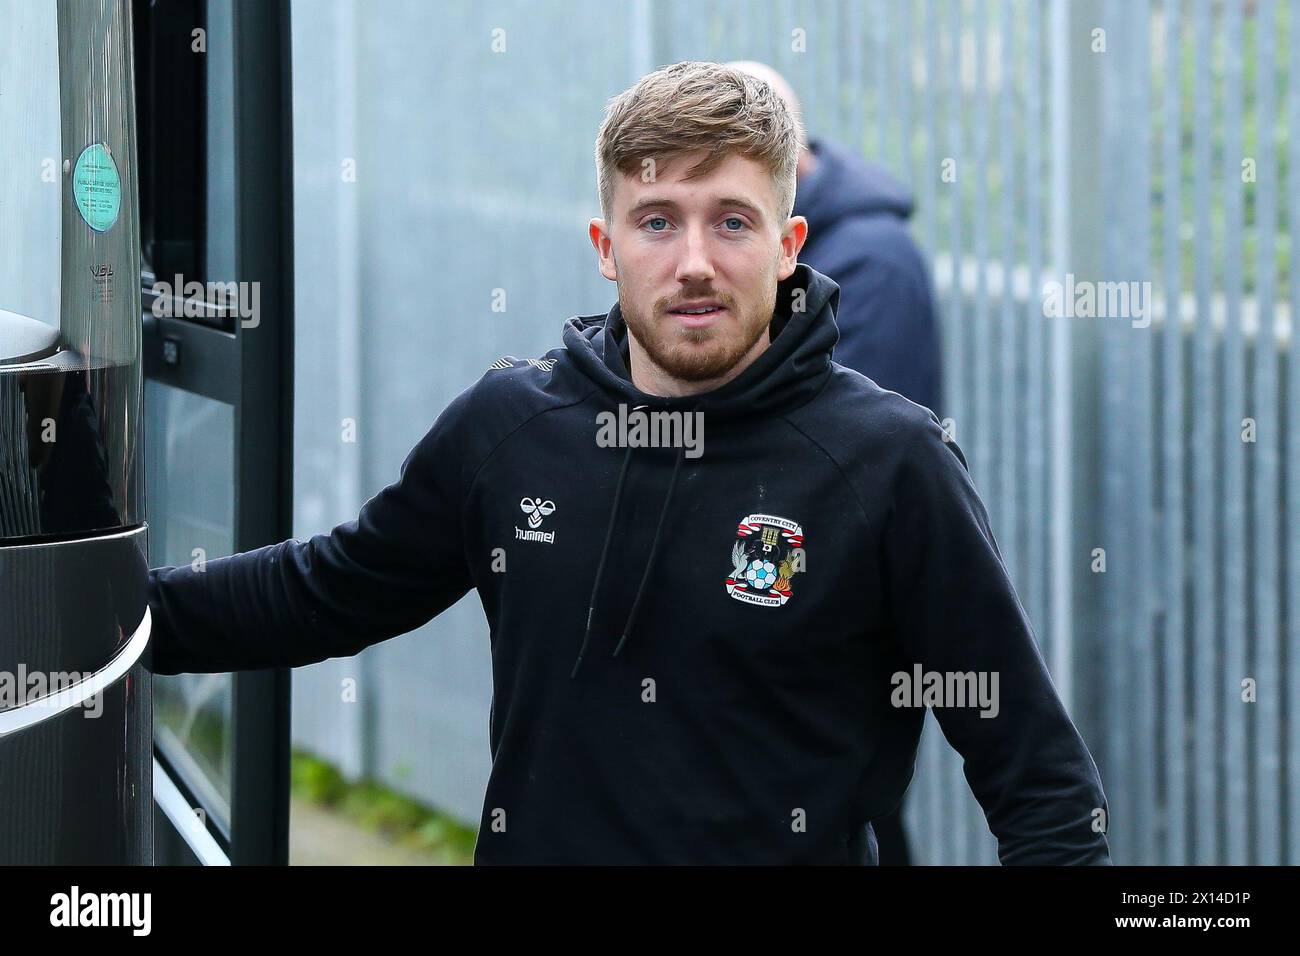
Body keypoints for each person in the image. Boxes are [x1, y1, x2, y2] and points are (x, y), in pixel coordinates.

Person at [148, 60, 1111, 865]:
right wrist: (89, 612)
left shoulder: (890, 464)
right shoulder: (510, 428)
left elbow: (1040, 785)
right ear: (608, 247)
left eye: (732, 220)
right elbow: (327, 589)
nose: (694, 259)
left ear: (788, 245)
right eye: (658, 220)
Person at [728, 60, 943, 864]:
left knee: (847, 805)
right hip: (772, 571)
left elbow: (848, 451)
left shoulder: (872, 260)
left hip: (831, 587)